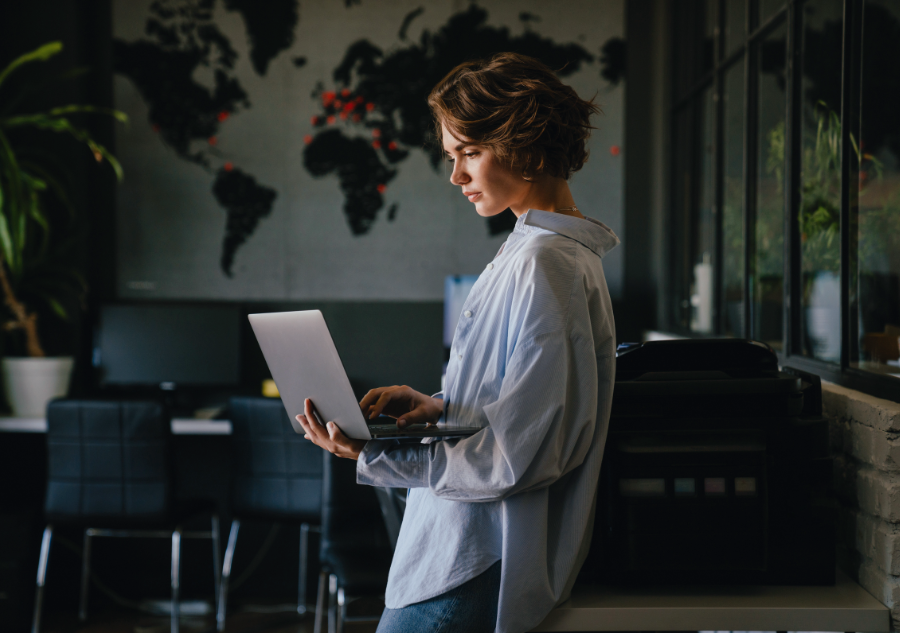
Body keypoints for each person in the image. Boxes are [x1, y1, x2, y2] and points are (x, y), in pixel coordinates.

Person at [296, 51, 619, 633]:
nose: (457, 177)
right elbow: (524, 403)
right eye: (453, 156)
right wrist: (440, 407)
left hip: (474, 558)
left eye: (470, 152)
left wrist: (376, 453)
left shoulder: (551, 264)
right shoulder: (531, 251)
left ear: (529, 142)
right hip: (458, 549)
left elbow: (523, 453)